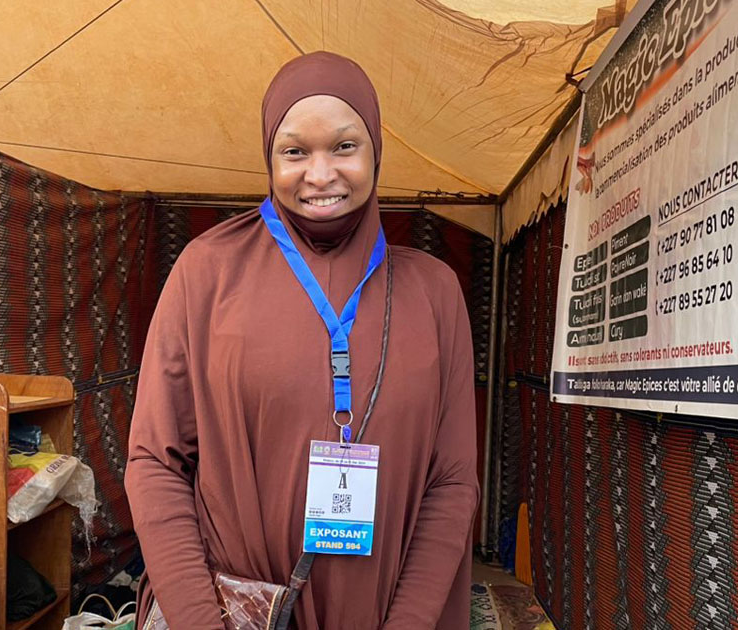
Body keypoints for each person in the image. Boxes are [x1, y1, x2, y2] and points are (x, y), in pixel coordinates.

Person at [124, 52, 478, 629]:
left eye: (344, 146)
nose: (319, 175)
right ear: (270, 156)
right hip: (234, 615)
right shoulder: (207, 272)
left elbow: (453, 480)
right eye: (295, 151)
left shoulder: (433, 292)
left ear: (376, 151)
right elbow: (154, 463)